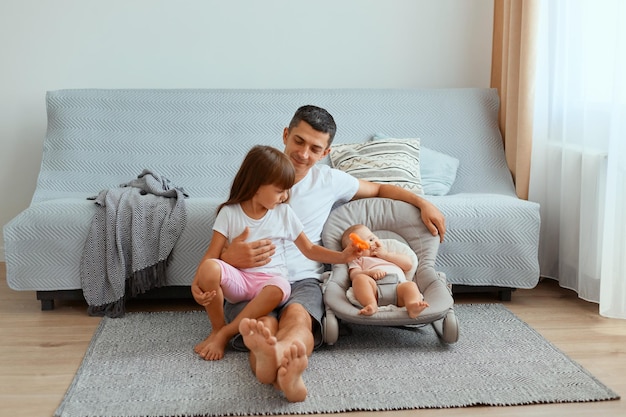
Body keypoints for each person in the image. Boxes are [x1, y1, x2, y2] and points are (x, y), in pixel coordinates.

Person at [193, 105, 446, 402]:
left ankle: (280, 360)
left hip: (303, 279)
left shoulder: (330, 181)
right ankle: (272, 361)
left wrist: (423, 202)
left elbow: (378, 189)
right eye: (298, 141)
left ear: (325, 153)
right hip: (254, 279)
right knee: (262, 327)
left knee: (299, 319)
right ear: (286, 135)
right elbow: (231, 228)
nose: (303, 154)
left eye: (315, 148)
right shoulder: (261, 175)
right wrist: (227, 257)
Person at [191, 145, 361, 361]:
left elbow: (309, 249)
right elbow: (212, 254)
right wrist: (197, 282)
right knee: (209, 268)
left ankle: (225, 333)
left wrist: (343, 257)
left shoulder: (283, 213)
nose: (284, 197)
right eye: (280, 190)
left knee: (279, 286)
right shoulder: (229, 212)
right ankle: (216, 329)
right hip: (241, 282)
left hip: (269, 284)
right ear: (256, 186)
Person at [341, 224, 429, 317]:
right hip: (374, 290)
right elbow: (354, 275)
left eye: (371, 239)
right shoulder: (358, 260)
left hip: (398, 288)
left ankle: (412, 305)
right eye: (362, 245)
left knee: (410, 285)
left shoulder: (389, 253)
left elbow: (408, 265)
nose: (370, 245)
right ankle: (371, 304)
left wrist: (386, 255)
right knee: (359, 279)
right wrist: (369, 273)